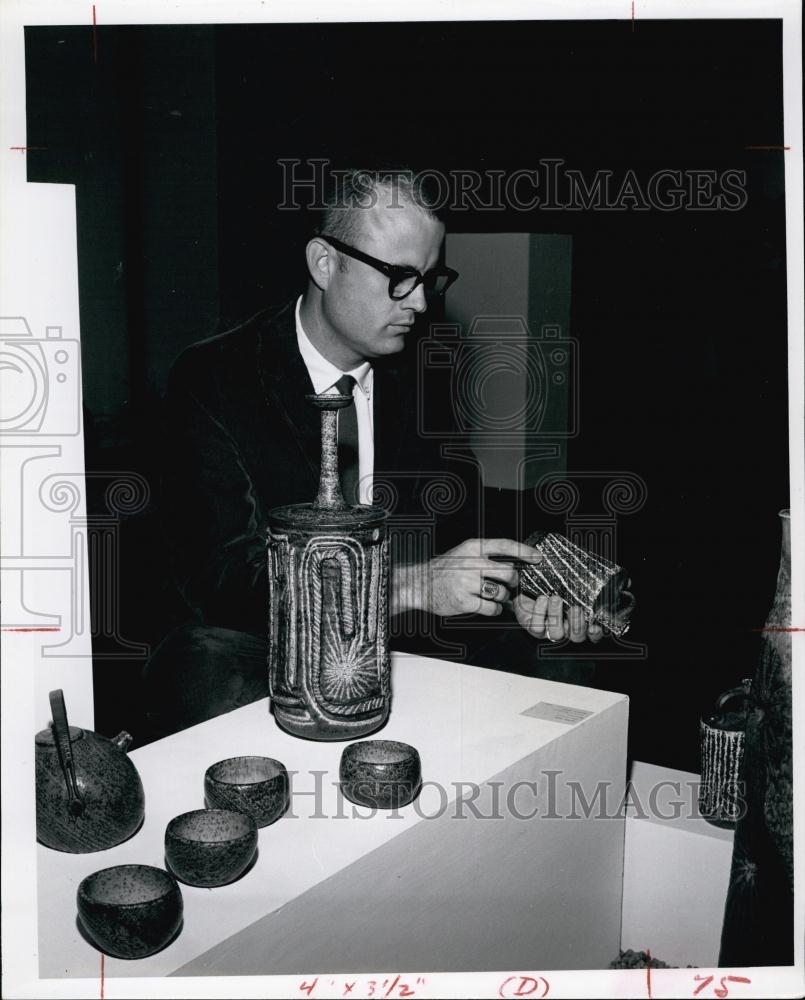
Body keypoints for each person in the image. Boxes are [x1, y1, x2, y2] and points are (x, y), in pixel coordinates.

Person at [143, 169, 600, 740]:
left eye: (431, 280)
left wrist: (530, 586)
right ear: (324, 263)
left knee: (562, 661)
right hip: (262, 648)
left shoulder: (421, 371)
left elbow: (458, 523)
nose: (421, 304)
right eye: (399, 277)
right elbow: (225, 581)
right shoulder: (213, 378)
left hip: (399, 639)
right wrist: (410, 586)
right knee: (204, 668)